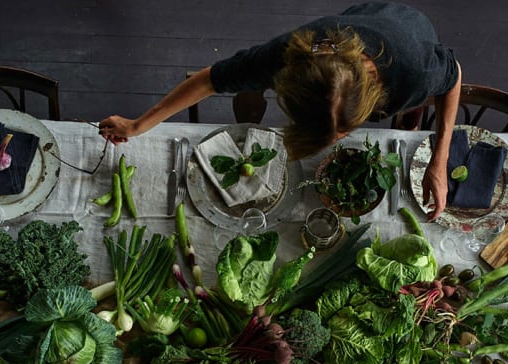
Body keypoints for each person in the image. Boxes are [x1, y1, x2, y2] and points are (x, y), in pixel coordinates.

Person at [99, 2, 461, 220]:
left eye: (344, 131)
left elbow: (454, 77)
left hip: (409, 29)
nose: (337, 141)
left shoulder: (418, 72)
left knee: (409, 122)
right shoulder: (284, 56)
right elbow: (209, 80)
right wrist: (137, 125)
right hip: (356, 24)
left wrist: (440, 159)